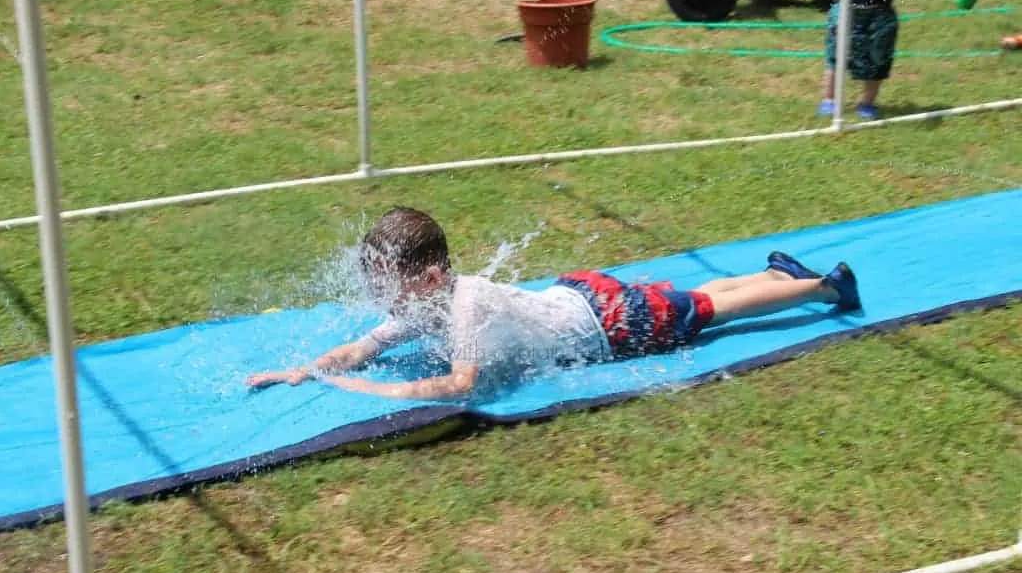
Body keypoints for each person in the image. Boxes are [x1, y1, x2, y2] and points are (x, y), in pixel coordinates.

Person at [245, 207, 861, 400]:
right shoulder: (425, 304)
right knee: (693, 297)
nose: (379, 292)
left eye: (387, 280)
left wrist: (384, 392)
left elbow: (461, 383)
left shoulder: (464, 305)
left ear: (429, 276)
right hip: (577, 297)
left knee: (708, 309)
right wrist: (309, 370)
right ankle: (774, 272)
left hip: (606, 326)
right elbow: (361, 346)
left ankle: (826, 286)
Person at [818, 0, 910, 120]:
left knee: (877, 59)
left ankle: (867, 103)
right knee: (836, 55)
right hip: (845, 8)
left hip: (879, 10)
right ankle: (829, 100)